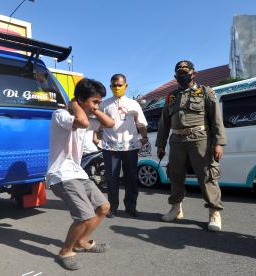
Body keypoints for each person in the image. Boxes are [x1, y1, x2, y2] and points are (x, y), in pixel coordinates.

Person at [46, 78, 115, 270]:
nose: (97, 105)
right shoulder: (60, 115)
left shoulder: (86, 115)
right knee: (84, 216)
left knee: (103, 207)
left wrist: (94, 108)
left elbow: (109, 123)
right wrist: (76, 104)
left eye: (100, 101)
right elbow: (82, 123)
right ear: (80, 99)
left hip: (77, 173)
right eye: (95, 101)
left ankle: (82, 241)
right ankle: (65, 251)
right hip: (61, 174)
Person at [155, 60, 227, 232]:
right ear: (175, 76)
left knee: (207, 175)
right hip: (177, 140)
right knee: (175, 174)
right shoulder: (171, 96)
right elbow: (164, 122)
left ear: (193, 74)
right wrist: (161, 144)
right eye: (179, 74)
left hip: (200, 138)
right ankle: (176, 208)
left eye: (186, 73)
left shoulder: (205, 92)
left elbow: (216, 119)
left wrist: (219, 143)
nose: (182, 76)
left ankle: (214, 212)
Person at [98, 74, 148, 218]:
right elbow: (98, 124)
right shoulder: (104, 104)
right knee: (111, 178)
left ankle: (131, 207)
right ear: (110, 87)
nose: (117, 88)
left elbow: (141, 123)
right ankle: (112, 208)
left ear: (126, 86)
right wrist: (96, 138)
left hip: (130, 147)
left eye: (120, 85)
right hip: (109, 147)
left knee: (131, 178)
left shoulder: (133, 104)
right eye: (114, 85)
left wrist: (144, 137)